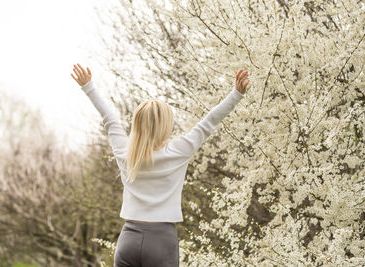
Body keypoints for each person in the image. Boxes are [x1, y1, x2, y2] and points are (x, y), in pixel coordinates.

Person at [71, 63, 250, 267]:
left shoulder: (125, 153)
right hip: (161, 242)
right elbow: (209, 122)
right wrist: (236, 94)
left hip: (128, 239)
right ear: (166, 125)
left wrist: (89, 87)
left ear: (137, 124)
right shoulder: (178, 152)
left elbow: (109, 118)